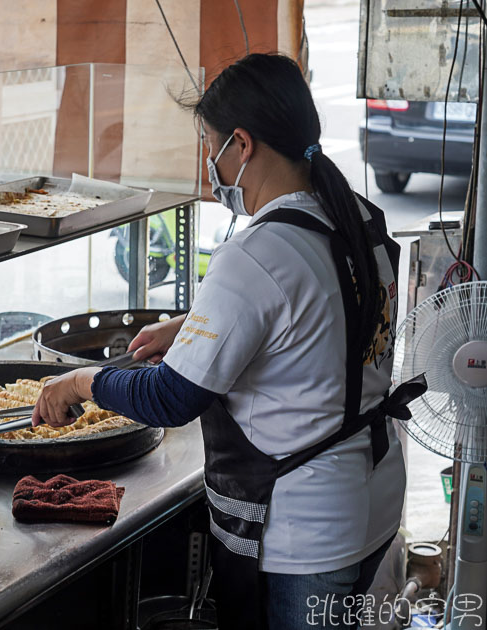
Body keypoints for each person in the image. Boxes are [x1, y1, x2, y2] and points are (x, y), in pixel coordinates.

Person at [31, 54, 426, 630]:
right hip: (371, 496)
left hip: (302, 527)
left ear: (241, 144)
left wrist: (80, 382)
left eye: (210, 145)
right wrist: (192, 325)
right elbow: (318, 316)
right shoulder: (358, 217)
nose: (208, 162)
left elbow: (171, 398)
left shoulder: (256, 252)